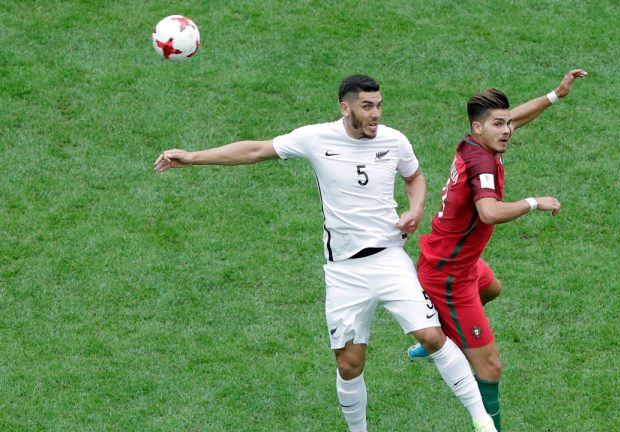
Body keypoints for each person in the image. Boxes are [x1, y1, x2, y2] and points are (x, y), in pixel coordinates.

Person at [153, 75, 498, 432]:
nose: (376, 114)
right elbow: (255, 150)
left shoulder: (394, 141)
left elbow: (414, 177)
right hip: (344, 270)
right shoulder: (315, 138)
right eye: (367, 106)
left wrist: (415, 208)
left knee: (431, 336)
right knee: (349, 364)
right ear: (345, 107)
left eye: (379, 105)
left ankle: (481, 420)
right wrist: (193, 157)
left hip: (389, 258)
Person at [405, 70, 588, 431]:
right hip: (448, 275)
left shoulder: (478, 141)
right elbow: (488, 211)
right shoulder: (482, 163)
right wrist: (533, 202)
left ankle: (435, 336)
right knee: (490, 367)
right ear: (478, 128)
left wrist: (556, 94)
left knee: (491, 287)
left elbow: (517, 116)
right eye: (498, 124)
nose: (507, 130)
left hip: (461, 262)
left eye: (507, 123)